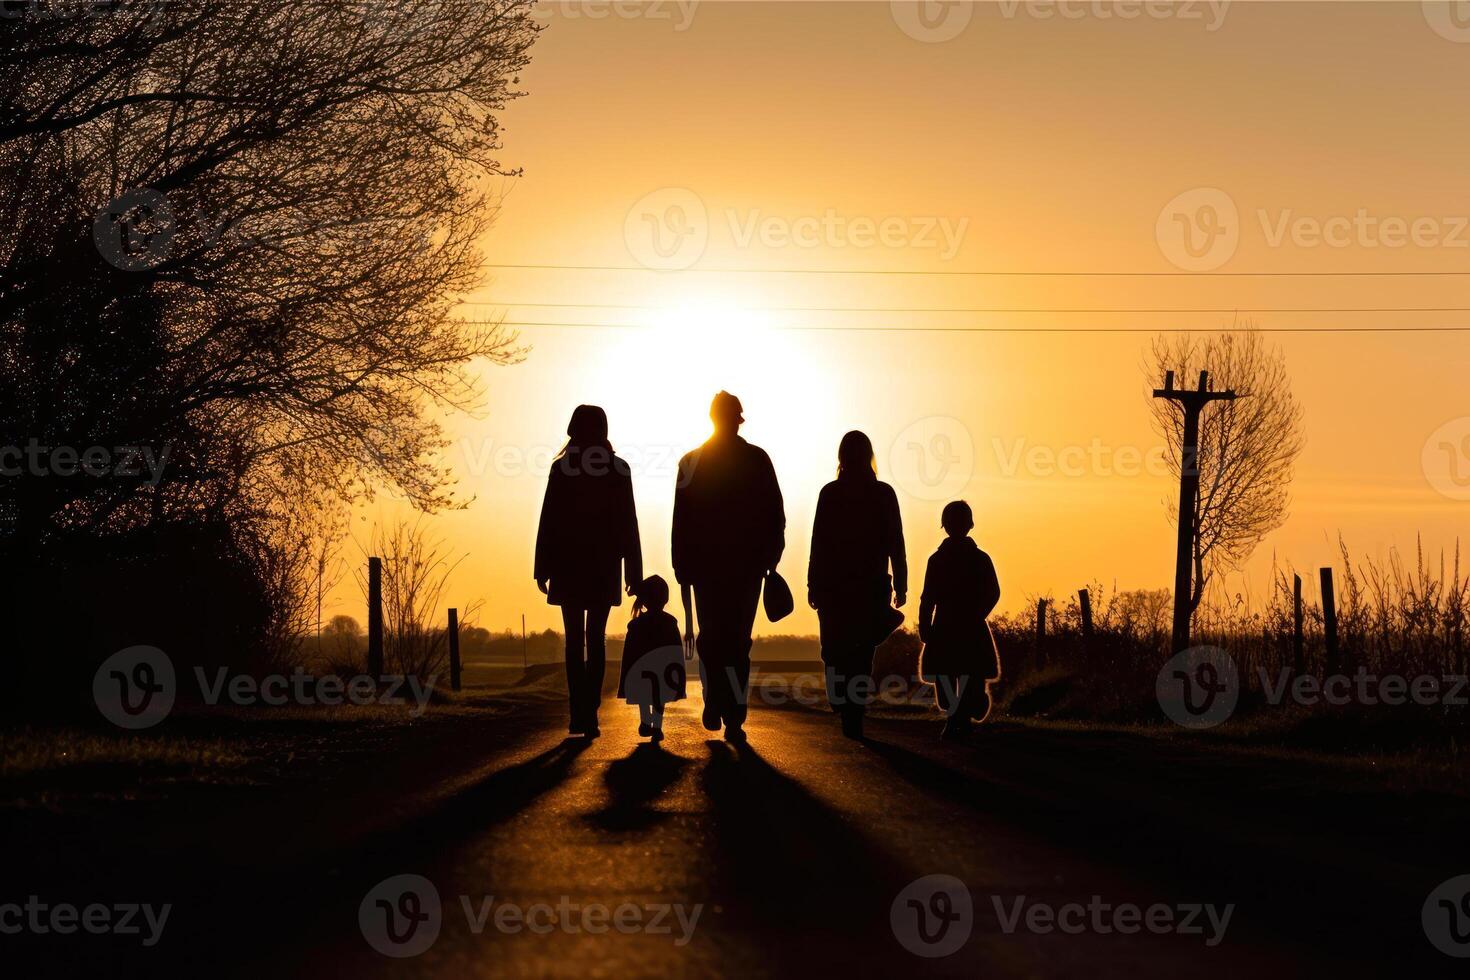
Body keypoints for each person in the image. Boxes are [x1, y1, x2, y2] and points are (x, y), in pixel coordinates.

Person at [672, 391, 785, 743]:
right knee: (736, 643)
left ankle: (716, 700)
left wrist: (681, 565)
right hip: (745, 569)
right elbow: (775, 515)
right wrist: (771, 557)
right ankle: (733, 712)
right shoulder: (757, 460)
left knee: (714, 640)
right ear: (738, 418)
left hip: (709, 569)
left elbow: (681, 520)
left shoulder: (692, 461)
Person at [534, 405, 642, 737]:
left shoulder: (562, 468)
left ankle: (576, 711)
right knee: (595, 639)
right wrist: (633, 573)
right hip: (603, 566)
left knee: (574, 641)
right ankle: (590, 711)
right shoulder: (617, 469)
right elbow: (629, 524)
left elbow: (548, 520)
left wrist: (542, 567)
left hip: (568, 565)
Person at [807, 431, 907, 740]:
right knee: (861, 653)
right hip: (870, 587)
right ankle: (854, 706)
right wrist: (901, 583)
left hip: (834, 588)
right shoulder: (883, 493)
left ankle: (842, 701)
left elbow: (818, 542)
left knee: (834, 649)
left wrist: (813, 582)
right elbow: (896, 542)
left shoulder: (831, 493)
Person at [917, 500, 1001, 740]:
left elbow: (993, 591)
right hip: (952, 626)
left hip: (957, 625)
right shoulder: (941, 560)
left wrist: (975, 615)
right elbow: (929, 597)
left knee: (967, 675)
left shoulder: (975, 559)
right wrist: (926, 625)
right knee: (949, 678)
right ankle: (960, 714)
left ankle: (960, 717)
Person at [617, 575, 687, 743]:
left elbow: (629, 656)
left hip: (641, 671)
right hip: (664, 671)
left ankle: (645, 721)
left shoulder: (635, 626)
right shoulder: (670, 623)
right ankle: (656, 727)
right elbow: (677, 652)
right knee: (660, 697)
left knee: (643, 695)